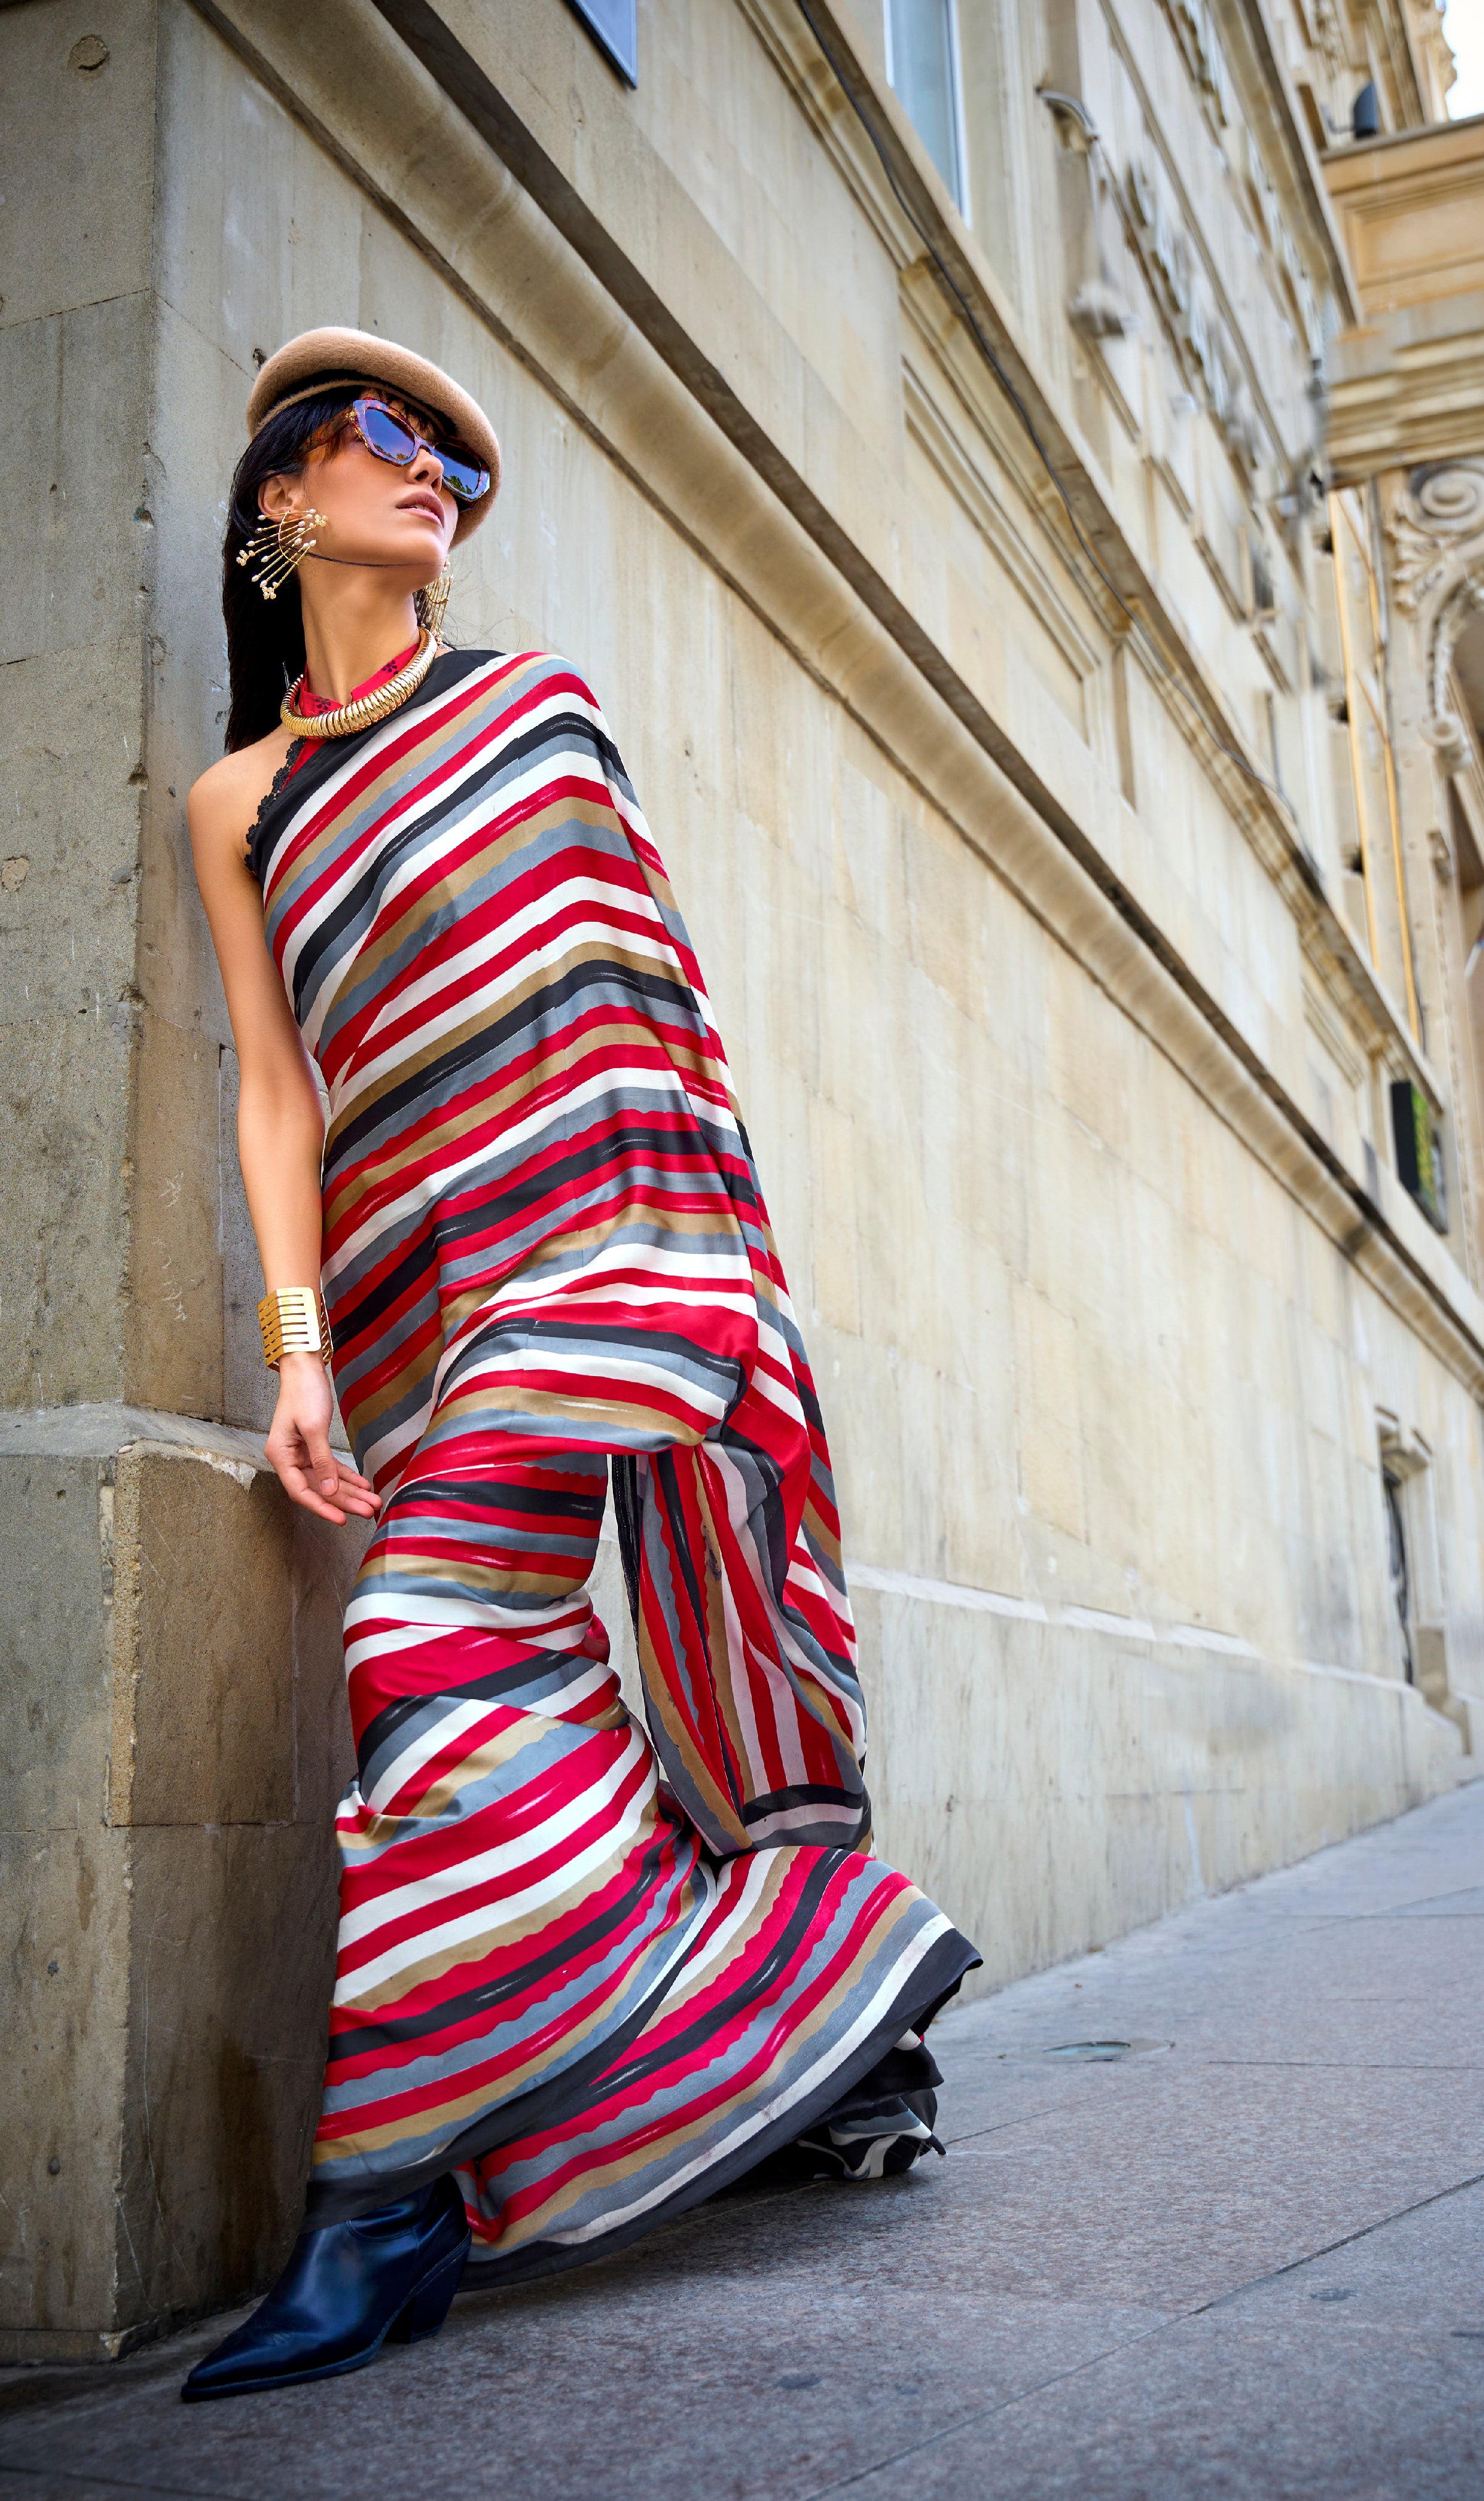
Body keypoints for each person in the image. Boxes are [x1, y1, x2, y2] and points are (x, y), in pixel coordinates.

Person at [180, 329, 978, 2402]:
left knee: (413, 1644)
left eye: (454, 447)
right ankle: (819, 1996)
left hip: (631, 1255)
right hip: (446, 1315)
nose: (431, 466)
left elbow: (641, 996)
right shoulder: (240, 803)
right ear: (284, 498)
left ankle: (380, 2218)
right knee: (488, 1684)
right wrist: (298, 1360)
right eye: (385, 437)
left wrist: (708, 1280)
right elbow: (284, 1100)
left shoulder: (540, 714)